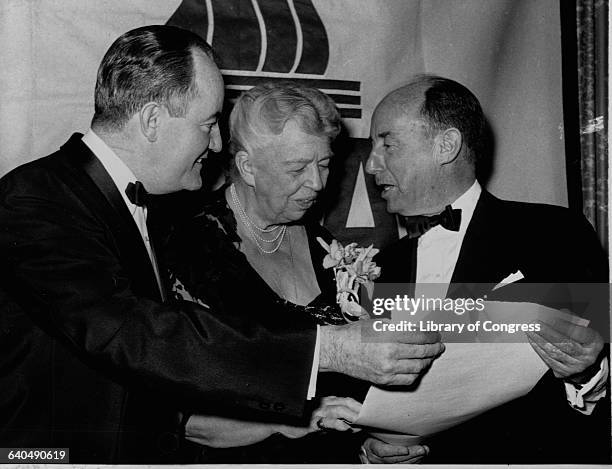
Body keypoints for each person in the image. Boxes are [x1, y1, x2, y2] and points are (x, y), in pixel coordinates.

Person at [0, 26, 444, 463]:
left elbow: (157, 386)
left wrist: (333, 428)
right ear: (153, 120)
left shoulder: (150, 209)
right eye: (208, 123)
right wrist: (330, 349)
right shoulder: (36, 198)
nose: (216, 145)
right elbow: (129, 334)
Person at [361, 75, 609, 464]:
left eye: (386, 144)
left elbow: (595, 362)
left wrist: (586, 373)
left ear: (447, 145)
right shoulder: (383, 266)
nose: (371, 163)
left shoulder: (555, 233)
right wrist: (373, 447)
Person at [161, 82, 366, 463]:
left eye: (323, 164)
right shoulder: (191, 245)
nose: (318, 183)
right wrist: (292, 421)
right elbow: (178, 415)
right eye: (297, 168)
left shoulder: (322, 241)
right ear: (248, 167)